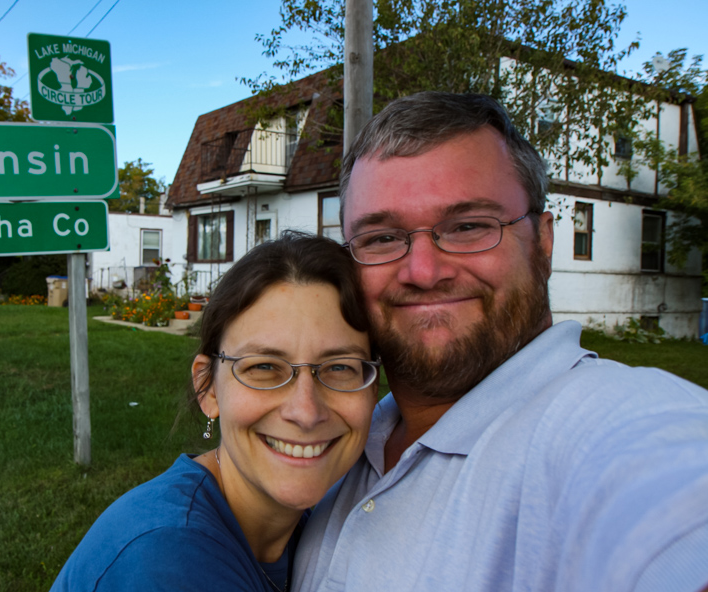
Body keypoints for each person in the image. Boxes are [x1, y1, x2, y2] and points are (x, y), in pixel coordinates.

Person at [293, 92, 708, 592]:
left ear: (544, 242)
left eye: (469, 227)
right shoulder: (339, 437)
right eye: (381, 237)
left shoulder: (608, 425)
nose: (423, 271)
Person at [50, 232, 380, 592]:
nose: (306, 411)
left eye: (339, 367)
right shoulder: (167, 562)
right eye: (265, 367)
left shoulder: (300, 528)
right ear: (208, 387)